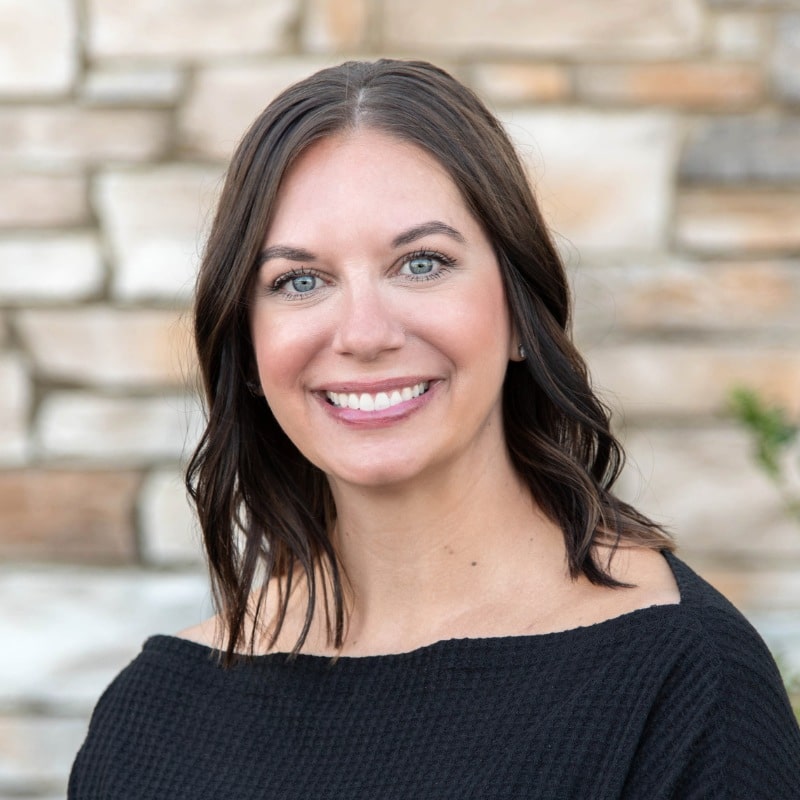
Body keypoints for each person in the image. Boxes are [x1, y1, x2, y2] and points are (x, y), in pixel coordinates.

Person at [69, 59, 800, 798]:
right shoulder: (155, 716)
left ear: (520, 312)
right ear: (250, 351)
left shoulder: (685, 682)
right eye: (299, 280)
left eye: (422, 263)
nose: (362, 333)